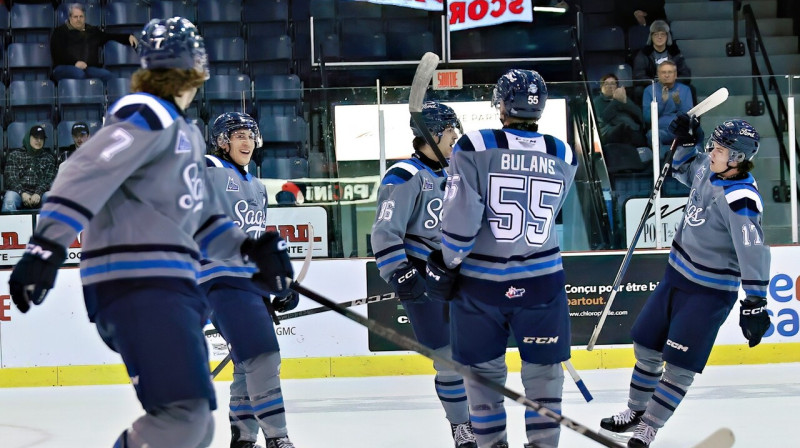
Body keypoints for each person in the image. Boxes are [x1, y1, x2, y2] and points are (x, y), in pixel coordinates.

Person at [8, 17, 294, 448]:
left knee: (192, 422)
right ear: (198, 67)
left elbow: (201, 219)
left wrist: (252, 250)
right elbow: (81, 170)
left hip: (169, 286)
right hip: (139, 282)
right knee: (184, 419)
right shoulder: (148, 113)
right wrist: (46, 247)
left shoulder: (183, 132)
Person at [425, 69, 577, 448]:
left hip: (482, 286)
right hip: (543, 281)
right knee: (544, 376)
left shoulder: (474, 144)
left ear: (501, 105)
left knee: (483, 375)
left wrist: (446, 260)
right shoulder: (564, 152)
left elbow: (463, 221)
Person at [599, 114, 771, 448]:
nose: (712, 151)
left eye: (719, 148)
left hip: (709, 292)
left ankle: (649, 426)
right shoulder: (708, 167)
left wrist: (754, 301)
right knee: (646, 345)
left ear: (737, 158)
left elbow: (753, 250)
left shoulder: (742, 199)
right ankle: (635, 411)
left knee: (678, 366)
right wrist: (687, 142)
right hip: (676, 275)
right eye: (713, 144)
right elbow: (683, 168)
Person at [371, 100, 477, 448]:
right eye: (450, 133)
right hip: (421, 272)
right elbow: (385, 232)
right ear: (431, 135)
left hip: (457, 275)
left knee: (473, 354)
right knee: (446, 357)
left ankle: (481, 420)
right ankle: (462, 428)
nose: (455, 139)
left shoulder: (455, 172)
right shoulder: (403, 175)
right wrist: (400, 274)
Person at [200, 111, 300, 448]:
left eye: (250, 135)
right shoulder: (209, 169)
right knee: (263, 355)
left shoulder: (257, 186)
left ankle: (244, 439)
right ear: (222, 141)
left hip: (248, 283)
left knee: (247, 361)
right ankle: (277, 438)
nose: (247, 142)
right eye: (238, 135)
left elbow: (256, 241)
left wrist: (278, 285)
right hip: (219, 275)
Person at [50, 3, 138, 82]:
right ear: (70, 18)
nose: (78, 19)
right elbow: (58, 53)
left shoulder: (92, 31)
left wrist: (127, 37)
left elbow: (109, 36)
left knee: (107, 76)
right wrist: (75, 63)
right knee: (79, 74)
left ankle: (107, 99)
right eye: (75, 17)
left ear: (85, 17)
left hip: (88, 68)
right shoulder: (60, 32)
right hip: (63, 67)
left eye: (81, 16)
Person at [642, 61, 693, 154]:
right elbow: (647, 118)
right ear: (658, 74)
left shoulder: (685, 89)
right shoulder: (649, 90)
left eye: (670, 72)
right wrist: (662, 102)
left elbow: (689, 116)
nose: (667, 75)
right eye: (663, 72)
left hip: (679, 130)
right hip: (660, 131)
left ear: (675, 75)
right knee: (652, 135)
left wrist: (678, 103)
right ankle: (663, 163)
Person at [2, 124, 56, 212]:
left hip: (40, 195)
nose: (39, 141)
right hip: (19, 194)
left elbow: (49, 180)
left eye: (41, 138)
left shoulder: (48, 158)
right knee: (9, 198)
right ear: (28, 137)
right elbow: (11, 179)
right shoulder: (14, 155)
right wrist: (22, 193)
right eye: (35, 137)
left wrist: (38, 193)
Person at [594, 74, 648, 147]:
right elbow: (603, 119)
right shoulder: (597, 101)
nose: (610, 86)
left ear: (617, 86)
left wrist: (626, 102)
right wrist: (616, 101)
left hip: (632, 131)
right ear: (601, 87)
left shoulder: (622, 98)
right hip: (611, 135)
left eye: (613, 83)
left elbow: (639, 115)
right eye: (606, 84)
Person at [632, 20, 691, 86]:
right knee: (638, 91)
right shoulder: (644, 54)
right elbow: (638, 76)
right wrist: (655, 83)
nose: (659, 37)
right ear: (651, 37)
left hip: (672, 85)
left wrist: (670, 81)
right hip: (651, 86)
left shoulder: (675, 52)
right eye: (656, 34)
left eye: (662, 34)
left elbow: (685, 75)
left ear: (667, 36)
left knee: (691, 89)